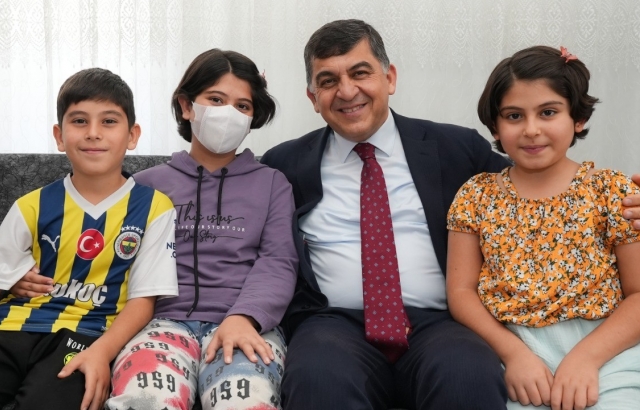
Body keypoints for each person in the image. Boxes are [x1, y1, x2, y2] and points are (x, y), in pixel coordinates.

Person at [259, 19, 640, 410]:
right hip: (334, 324)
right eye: (328, 81)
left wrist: (632, 203)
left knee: (467, 374)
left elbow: (540, 185)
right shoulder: (285, 164)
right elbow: (237, 210)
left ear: (389, 78)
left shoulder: (455, 147)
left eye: (360, 73)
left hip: (438, 322)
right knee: (317, 378)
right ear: (312, 97)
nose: (346, 91)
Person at [13, 49, 298, 410]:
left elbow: (278, 261)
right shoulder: (145, 186)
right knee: (144, 400)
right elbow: (95, 247)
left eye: (242, 106)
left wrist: (245, 318)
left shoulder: (272, 184)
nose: (229, 113)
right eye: (216, 99)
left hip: (245, 325)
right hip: (158, 323)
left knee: (246, 402)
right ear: (186, 105)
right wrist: (23, 276)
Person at [0, 68, 178, 410]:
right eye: (79, 121)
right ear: (59, 135)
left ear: (132, 135)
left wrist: (102, 353)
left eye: (109, 121)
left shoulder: (154, 208)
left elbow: (143, 302)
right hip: (7, 330)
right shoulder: (31, 205)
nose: (93, 133)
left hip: (87, 337)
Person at [446, 46, 640, 410]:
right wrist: (513, 354)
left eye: (548, 112)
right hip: (513, 353)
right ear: (495, 126)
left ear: (578, 118)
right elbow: (460, 291)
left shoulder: (612, 191)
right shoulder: (476, 195)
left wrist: (586, 358)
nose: (531, 130)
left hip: (607, 352)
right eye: (514, 116)